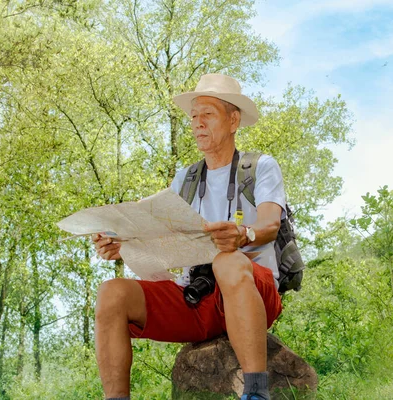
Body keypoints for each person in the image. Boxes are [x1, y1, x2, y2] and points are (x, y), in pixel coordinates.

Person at [92, 73, 286, 400]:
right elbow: (160, 235)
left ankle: (255, 393)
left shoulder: (260, 167)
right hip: (194, 295)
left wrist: (242, 234)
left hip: (249, 287)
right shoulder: (185, 178)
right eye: (194, 116)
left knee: (227, 262)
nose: (197, 123)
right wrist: (121, 244)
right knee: (111, 292)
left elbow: (270, 224)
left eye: (207, 114)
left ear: (233, 119)